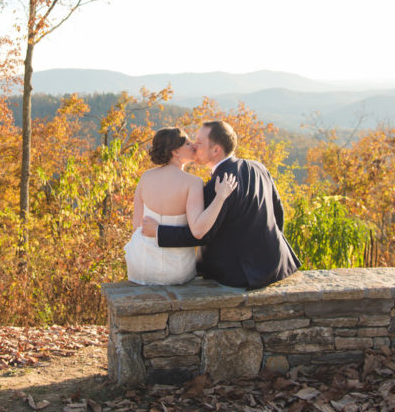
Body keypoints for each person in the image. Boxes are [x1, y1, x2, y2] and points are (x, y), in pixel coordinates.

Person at [142, 120, 299, 290]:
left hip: (240, 275)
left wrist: (159, 231)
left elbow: (201, 234)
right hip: (277, 265)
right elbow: (278, 213)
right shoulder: (258, 168)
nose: (194, 145)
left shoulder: (218, 185)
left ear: (216, 150)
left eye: (200, 142)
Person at [124, 127, 238, 285]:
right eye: (187, 143)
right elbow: (198, 230)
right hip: (177, 270)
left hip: (142, 265)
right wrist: (220, 197)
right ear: (175, 152)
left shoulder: (146, 177)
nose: (193, 146)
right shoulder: (193, 182)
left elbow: (137, 225)